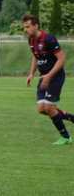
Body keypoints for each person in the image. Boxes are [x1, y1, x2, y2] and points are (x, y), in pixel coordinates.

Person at [23, 14, 74, 145]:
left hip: (55, 76)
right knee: (41, 109)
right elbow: (36, 56)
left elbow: (62, 59)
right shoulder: (31, 40)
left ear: (36, 25)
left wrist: (49, 76)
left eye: (28, 26)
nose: (26, 29)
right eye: (24, 27)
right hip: (43, 76)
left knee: (49, 107)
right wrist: (31, 74)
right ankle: (70, 117)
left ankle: (66, 137)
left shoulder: (49, 39)